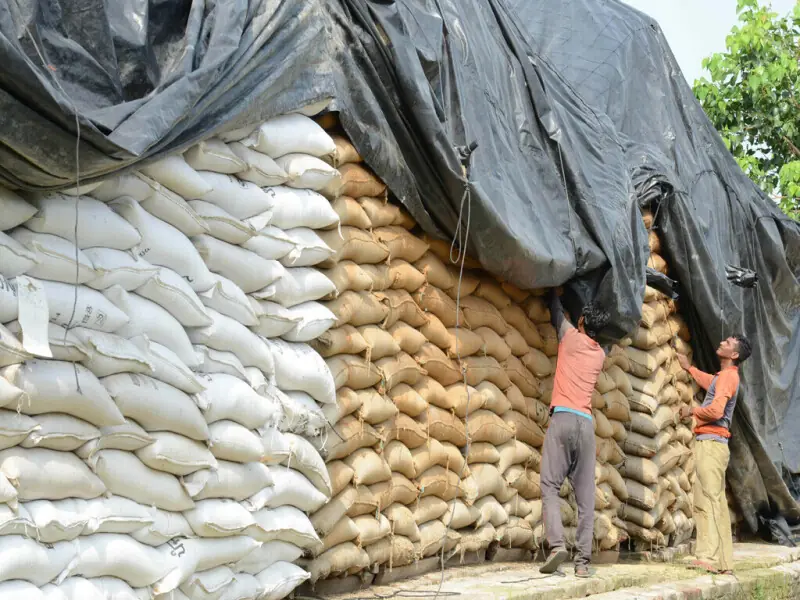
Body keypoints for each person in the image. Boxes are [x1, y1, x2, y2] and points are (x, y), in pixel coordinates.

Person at [539, 291, 611, 578]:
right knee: (585, 498)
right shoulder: (601, 354)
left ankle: (557, 546)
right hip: (586, 424)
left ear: (580, 321)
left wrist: (554, 292)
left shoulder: (568, 336)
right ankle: (582, 563)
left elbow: (555, 310)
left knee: (549, 485)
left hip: (563, 419)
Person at [677, 334, 752, 575]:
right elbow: (711, 383)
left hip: (711, 443)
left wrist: (692, 411)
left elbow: (717, 410)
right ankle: (720, 561)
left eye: (727, 343)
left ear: (734, 354)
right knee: (711, 500)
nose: (721, 343)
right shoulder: (724, 377)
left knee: (708, 500)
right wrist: (690, 369)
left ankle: (710, 558)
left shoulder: (729, 377)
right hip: (712, 444)